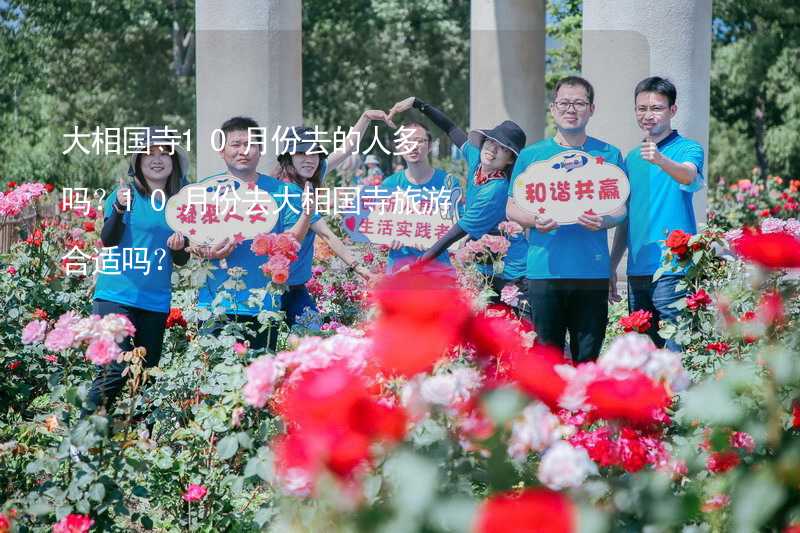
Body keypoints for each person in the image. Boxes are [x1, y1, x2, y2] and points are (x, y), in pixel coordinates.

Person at [506, 76, 627, 362]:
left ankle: (585, 409)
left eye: (579, 103)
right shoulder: (532, 156)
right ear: (553, 108)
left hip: (591, 272)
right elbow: (511, 207)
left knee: (588, 359)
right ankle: (550, 409)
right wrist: (534, 220)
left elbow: (621, 209)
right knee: (547, 359)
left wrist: (604, 220)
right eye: (564, 103)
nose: (571, 109)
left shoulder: (609, 155)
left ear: (592, 109)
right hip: (544, 271)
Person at [85, 128, 190, 412]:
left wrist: (179, 245)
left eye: (164, 153)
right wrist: (118, 208)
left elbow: (181, 260)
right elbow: (108, 240)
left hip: (155, 302)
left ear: (174, 161)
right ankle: (80, 443)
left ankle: (140, 445)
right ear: (138, 162)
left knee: (146, 378)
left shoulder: (181, 201)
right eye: (149, 154)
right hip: (116, 296)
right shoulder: (124, 194)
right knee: (112, 373)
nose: (157, 160)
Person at [387, 96, 529, 305]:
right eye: (491, 142)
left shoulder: (496, 190)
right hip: (485, 267)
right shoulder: (477, 161)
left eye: (503, 149)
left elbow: (456, 232)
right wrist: (418, 104)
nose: (493, 150)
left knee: (520, 334)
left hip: (512, 272)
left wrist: (417, 264)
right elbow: (451, 129)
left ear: (510, 160)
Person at [194, 116, 313, 350]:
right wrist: (206, 250)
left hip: (263, 305)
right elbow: (191, 241)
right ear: (221, 149)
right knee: (214, 381)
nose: (243, 151)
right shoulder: (205, 190)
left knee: (259, 380)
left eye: (250, 144)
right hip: (214, 305)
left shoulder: (283, 192)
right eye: (236, 144)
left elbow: (291, 242)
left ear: (260, 150)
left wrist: (307, 214)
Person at [610, 76, 704, 352]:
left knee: (678, 355)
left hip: (673, 270)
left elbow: (689, 176)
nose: (647, 115)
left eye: (656, 108)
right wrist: (612, 264)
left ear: (672, 111)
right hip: (638, 269)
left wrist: (661, 159)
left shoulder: (688, 148)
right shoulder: (631, 158)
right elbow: (626, 217)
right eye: (641, 108)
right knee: (644, 358)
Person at [276, 114, 389, 328]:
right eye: (301, 153)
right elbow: (327, 235)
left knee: (311, 339)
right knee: (298, 340)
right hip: (274, 287)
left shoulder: (311, 175)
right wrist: (361, 270)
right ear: (289, 157)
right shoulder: (289, 191)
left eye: (314, 153)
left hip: (296, 286)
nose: (309, 158)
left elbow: (346, 148)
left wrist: (365, 117)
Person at [366, 116, 459, 275]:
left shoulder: (448, 183)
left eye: (419, 141)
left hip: (438, 273)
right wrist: (387, 239)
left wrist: (435, 242)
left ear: (429, 145)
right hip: (399, 273)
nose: (413, 146)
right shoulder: (389, 184)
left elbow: (459, 228)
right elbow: (374, 231)